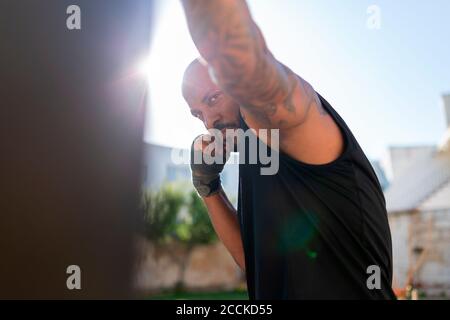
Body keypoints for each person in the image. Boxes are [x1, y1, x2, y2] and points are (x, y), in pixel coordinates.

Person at [180, 0, 396, 300]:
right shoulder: (255, 157)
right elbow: (255, 262)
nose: (209, 121)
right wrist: (208, 187)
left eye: (213, 98)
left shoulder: (291, 120)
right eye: (198, 114)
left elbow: (247, 69)